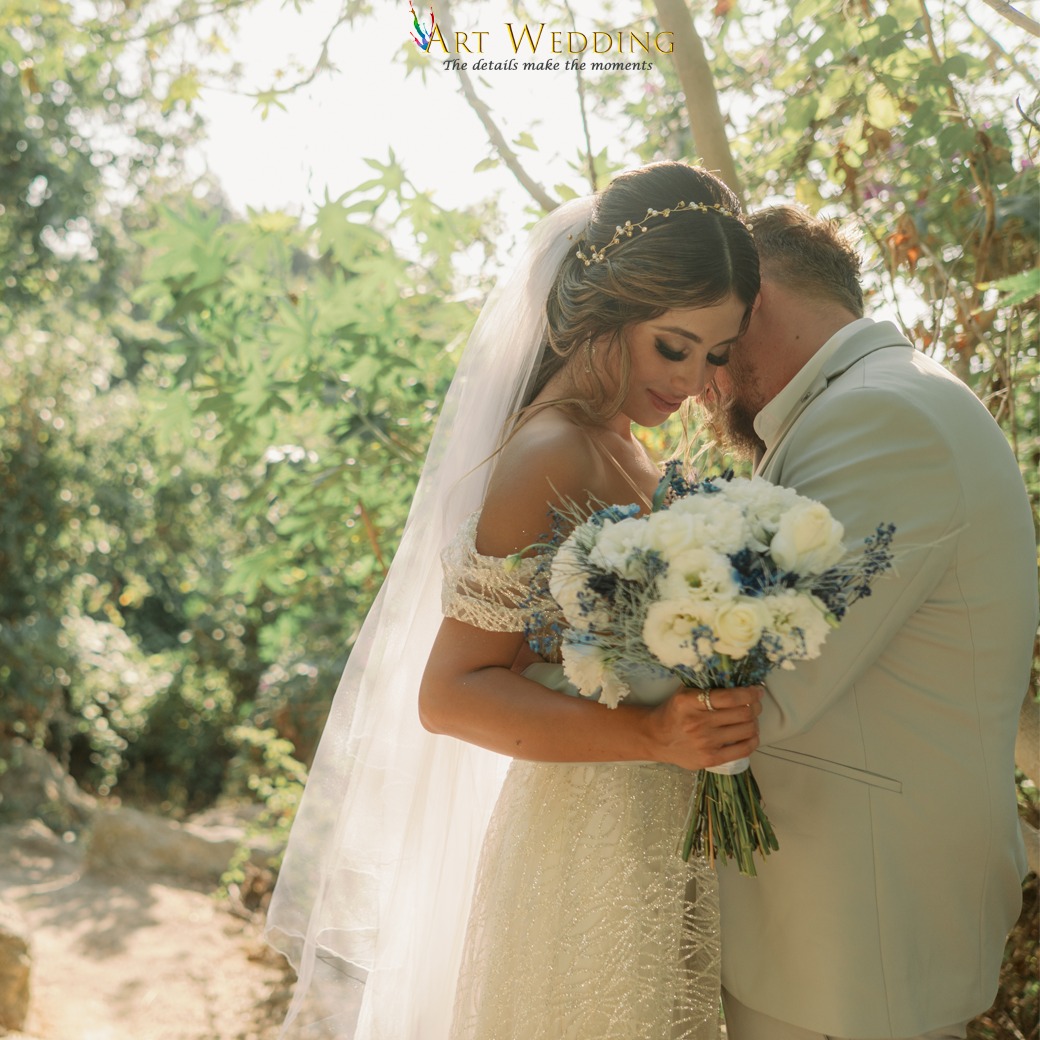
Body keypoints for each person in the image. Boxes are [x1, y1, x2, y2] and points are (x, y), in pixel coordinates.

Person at [264, 160, 764, 1040]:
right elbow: (451, 693)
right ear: (606, 311)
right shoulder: (550, 451)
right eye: (673, 346)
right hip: (586, 851)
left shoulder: (626, 446)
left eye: (715, 354)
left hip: (658, 833)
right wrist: (652, 734)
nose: (694, 380)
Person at [701, 204, 1037, 1040]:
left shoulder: (880, 415)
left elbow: (770, 680)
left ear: (755, 301)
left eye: (708, 339)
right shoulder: (883, 398)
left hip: (852, 938)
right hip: (840, 930)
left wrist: (563, 667)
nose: (703, 374)